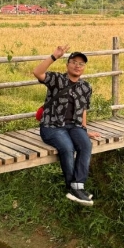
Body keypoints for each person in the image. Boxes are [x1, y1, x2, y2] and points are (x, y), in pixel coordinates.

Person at [32, 46, 100, 205]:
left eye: (81, 64)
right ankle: (72, 188)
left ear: (84, 68)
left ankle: (78, 185)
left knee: (85, 145)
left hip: (74, 126)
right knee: (68, 147)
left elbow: (83, 110)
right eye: (74, 62)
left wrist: (85, 130)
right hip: (52, 127)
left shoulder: (86, 87)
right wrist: (54, 56)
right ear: (67, 65)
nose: (78, 66)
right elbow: (37, 72)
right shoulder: (57, 80)